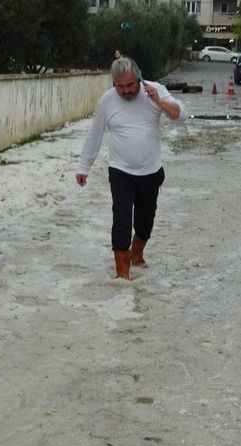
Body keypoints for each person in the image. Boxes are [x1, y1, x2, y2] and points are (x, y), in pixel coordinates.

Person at [76, 57, 186, 280]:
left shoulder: (155, 90)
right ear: (113, 83)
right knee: (121, 220)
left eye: (130, 85)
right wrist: (84, 166)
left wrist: (159, 102)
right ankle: (122, 277)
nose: (125, 91)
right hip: (120, 171)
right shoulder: (107, 100)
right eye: (120, 86)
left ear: (138, 78)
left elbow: (180, 116)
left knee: (145, 222)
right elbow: (95, 134)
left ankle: (137, 254)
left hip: (151, 171)